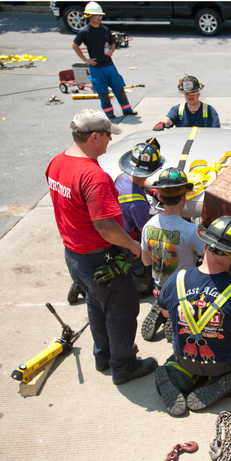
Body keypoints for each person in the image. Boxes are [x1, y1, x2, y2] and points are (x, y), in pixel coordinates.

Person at [45, 109, 157, 385]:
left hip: (75, 256)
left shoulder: (57, 163)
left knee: (96, 305)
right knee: (122, 311)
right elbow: (105, 226)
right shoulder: (92, 175)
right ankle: (123, 366)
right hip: (100, 258)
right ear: (94, 136)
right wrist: (132, 245)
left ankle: (104, 356)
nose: (110, 142)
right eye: (108, 136)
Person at [154, 216, 231, 417]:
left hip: (185, 357)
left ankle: (176, 374)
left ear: (205, 245)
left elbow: (164, 314)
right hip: (224, 363)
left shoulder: (176, 280)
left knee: (177, 358)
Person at [140, 168, 205, 342]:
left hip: (159, 285)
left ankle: (163, 307)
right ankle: (176, 316)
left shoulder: (148, 225)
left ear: (160, 197)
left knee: (166, 296)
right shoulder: (191, 231)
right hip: (183, 291)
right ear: (184, 196)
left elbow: (146, 261)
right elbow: (209, 263)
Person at [115, 137, 165, 296]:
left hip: (118, 228)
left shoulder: (122, 177)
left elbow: (139, 179)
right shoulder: (138, 205)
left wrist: (153, 190)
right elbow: (146, 234)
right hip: (128, 240)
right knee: (145, 279)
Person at [72, 2, 137, 119]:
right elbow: (75, 45)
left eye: (100, 15)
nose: (99, 18)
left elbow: (113, 43)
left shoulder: (105, 29)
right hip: (96, 67)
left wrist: (112, 50)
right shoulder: (84, 31)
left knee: (119, 87)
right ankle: (109, 112)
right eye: (96, 16)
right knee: (103, 91)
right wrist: (86, 60)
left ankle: (127, 109)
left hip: (109, 65)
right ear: (89, 16)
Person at [153, 75, 220, 131]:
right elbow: (168, 119)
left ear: (198, 94)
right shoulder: (178, 109)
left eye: (192, 93)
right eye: (186, 94)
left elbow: (215, 133)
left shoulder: (210, 111)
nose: (189, 96)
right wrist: (161, 123)